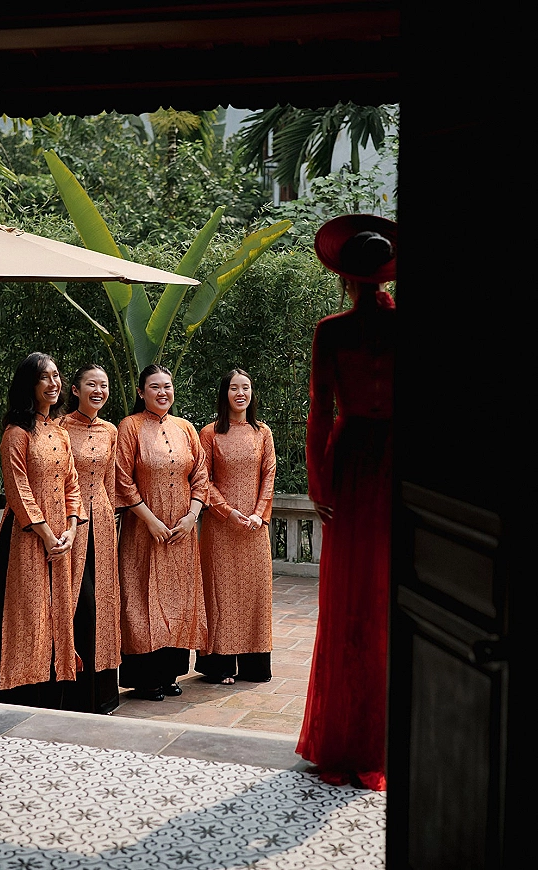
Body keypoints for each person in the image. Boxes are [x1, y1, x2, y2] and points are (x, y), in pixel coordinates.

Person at [296, 214, 397, 791]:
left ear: (344, 275)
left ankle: (341, 738)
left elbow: (318, 411)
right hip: (395, 462)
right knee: (391, 591)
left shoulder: (330, 330)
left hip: (353, 458)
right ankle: (389, 736)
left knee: (347, 597)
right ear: (385, 274)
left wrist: (319, 482)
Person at [0, 352, 88, 708]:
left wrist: (72, 529)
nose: (54, 383)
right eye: (45, 377)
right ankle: (24, 695)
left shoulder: (58, 433)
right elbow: (18, 489)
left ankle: (55, 695)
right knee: (29, 612)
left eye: (57, 376)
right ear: (30, 384)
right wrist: (46, 535)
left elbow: (73, 485)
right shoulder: (16, 433)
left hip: (62, 536)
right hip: (27, 537)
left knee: (59, 609)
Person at [115, 364, 209, 701]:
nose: (162, 392)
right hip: (144, 533)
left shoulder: (186, 428)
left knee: (178, 600)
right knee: (141, 600)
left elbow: (200, 475)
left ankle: (169, 673)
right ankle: (145, 679)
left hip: (182, 533)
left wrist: (192, 517)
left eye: (167, 386)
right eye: (154, 387)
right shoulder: (130, 427)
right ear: (141, 392)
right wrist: (149, 519)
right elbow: (121, 478)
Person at [194, 369, 276, 684]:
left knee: (256, 593)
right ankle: (220, 666)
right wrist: (227, 512)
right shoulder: (210, 433)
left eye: (246, 388)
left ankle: (255, 666)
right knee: (221, 594)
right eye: (234, 388)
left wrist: (259, 513)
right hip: (220, 528)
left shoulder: (263, 432)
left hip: (255, 529)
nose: (240, 393)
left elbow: (269, 474)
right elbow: (204, 480)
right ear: (224, 394)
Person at [59, 364, 121, 715]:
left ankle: (103, 694)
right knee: (77, 602)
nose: (98, 391)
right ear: (76, 389)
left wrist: (110, 518)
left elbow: (111, 481)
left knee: (102, 602)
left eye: (103, 385)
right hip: (72, 522)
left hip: (102, 524)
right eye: (91, 385)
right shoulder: (62, 428)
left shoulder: (111, 430)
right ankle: (74, 692)